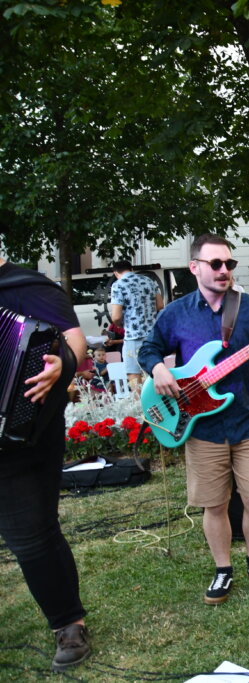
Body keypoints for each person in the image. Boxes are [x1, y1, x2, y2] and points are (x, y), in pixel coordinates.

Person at [139, 234, 249, 605]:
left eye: (229, 264)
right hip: (202, 425)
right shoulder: (177, 313)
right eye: (215, 264)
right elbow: (148, 348)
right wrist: (158, 369)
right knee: (214, 504)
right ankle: (222, 569)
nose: (224, 270)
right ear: (194, 267)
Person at [0, 255, 92, 672]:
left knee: (33, 535)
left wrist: (61, 366)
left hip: (23, 431)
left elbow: (75, 343)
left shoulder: (27, 287)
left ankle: (68, 622)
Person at [109, 261, 164, 388]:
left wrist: (120, 324)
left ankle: (139, 400)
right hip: (152, 335)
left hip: (133, 336)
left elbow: (116, 316)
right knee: (153, 371)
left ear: (115, 273)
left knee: (133, 373)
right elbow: (160, 305)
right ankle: (155, 398)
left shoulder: (118, 285)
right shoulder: (149, 281)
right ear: (131, 269)